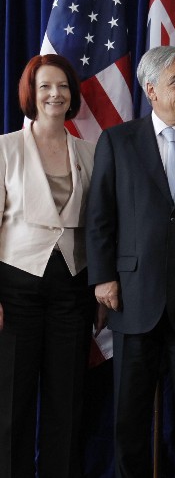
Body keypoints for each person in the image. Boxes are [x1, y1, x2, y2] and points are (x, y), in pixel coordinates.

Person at [86, 46, 175, 477]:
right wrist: (103, 278)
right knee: (129, 417)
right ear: (150, 90)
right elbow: (100, 217)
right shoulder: (118, 140)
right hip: (132, 298)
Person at [0, 54, 95, 478]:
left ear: (72, 94)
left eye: (62, 86)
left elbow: (99, 226)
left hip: (72, 292)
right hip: (15, 290)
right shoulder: (5, 148)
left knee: (67, 404)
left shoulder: (91, 152)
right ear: (30, 94)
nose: (55, 94)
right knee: (11, 405)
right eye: (44, 86)